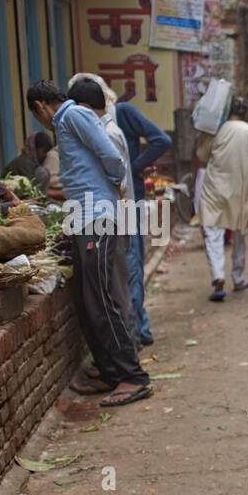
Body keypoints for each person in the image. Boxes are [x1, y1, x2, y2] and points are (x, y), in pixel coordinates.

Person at [26, 80, 151, 408]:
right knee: (88, 298)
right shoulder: (68, 121)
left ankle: (132, 376)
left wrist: (113, 187)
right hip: (83, 218)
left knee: (103, 297)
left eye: (36, 115)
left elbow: (111, 155)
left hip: (97, 217)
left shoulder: (71, 115)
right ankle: (111, 371)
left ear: (40, 106)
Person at [69, 72, 172, 346]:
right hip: (114, 201)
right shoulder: (94, 124)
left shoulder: (120, 116)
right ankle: (138, 329)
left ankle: (138, 330)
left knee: (132, 263)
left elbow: (161, 140)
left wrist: (133, 169)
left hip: (127, 198)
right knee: (127, 265)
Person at [197, 97, 248, 302]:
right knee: (239, 234)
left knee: (213, 232)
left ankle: (218, 276)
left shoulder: (216, 131)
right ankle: (238, 278)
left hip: (213, 188)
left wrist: (203, 135)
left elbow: (203, 156)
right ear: (245, 113)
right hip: (239, 191)